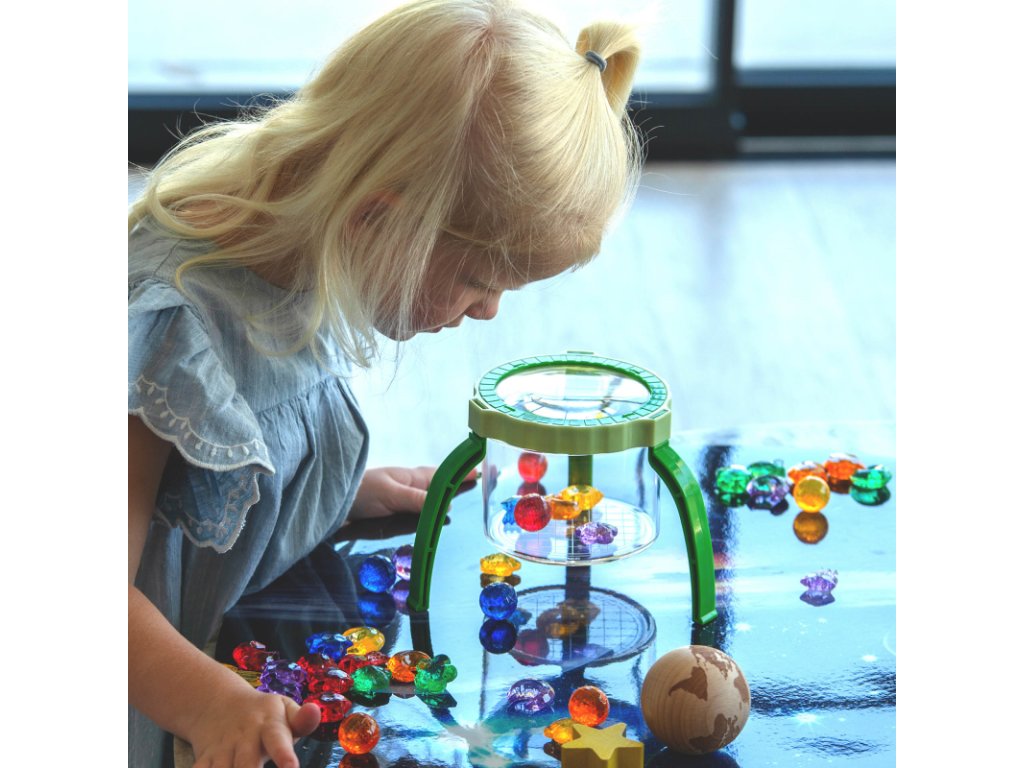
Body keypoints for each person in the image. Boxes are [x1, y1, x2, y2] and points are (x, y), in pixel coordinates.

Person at [128, 0, 642, 765]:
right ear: (378, 221)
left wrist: (324, 495)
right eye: (479, 282)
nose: (488, 311)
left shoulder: (300, 251)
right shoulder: (171, 329)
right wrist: (207, 702)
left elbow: (204, 479)